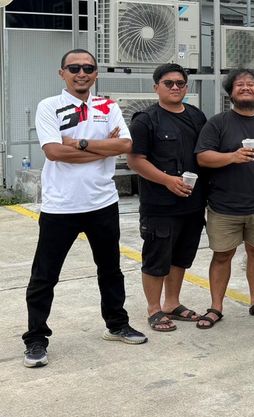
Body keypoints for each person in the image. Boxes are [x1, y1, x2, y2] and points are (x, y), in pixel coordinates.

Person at [23, 49, 147, 368]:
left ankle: (116, 324)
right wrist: (103, 149)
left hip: (102, 203)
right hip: (60, 206)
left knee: (110, 270)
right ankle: (36, 338)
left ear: (96, 74)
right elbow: (53, 152)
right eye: (74, 67)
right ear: (62, 73)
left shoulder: (108, 106)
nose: (82, 73)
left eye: (88, 68)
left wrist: (76, 143)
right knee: (44, 276)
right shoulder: (49, 106)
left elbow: (125, 146)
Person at [194, 68, 254, 329]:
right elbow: (203, 157)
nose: (246, 87)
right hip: (224, 206)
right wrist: (232, 157)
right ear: (231, 92)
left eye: (251, 84)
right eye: (240, 84)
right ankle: (216, 307)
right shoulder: (218, 123)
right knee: (222, 256)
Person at [128, 63, 207, 332]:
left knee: (181, 256)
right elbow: (136, 160)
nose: (175, 87)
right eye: (168, 83)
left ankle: (172, 303)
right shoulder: (145, 120)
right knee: (156, 258)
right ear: (156, 87)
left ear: (186, 87)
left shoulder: (196, 116)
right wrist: (167, 180)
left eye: (180, 83)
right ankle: (154, 309)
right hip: (159, 205)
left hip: (192, 204)